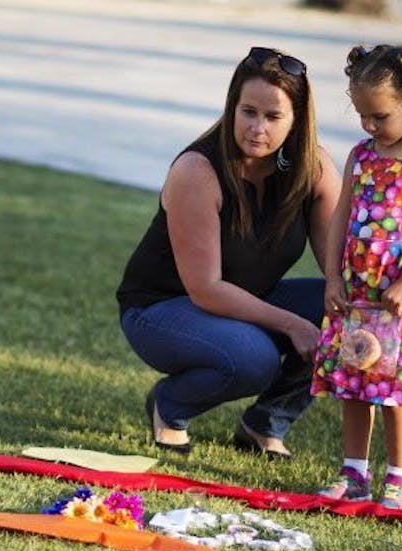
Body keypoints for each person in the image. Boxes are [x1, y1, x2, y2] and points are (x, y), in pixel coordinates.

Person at [117, 47, 342, 459]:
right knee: (253, 359)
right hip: (162, 309)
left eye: (273, 117)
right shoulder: (197, 171)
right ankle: (170, 406)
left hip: (246, 302)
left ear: (297, 122)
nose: (257, 128)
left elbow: (337, 270)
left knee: (342, 311)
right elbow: (206, 290)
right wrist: (293, 325)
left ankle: (264, 424)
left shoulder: (316, 170)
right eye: (248, 111)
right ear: (232, 107)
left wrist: (383, 298)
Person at [310, 44, 402, 509]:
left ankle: (400, 480)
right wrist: (333, 278)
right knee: (355, 381)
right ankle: (354, 473)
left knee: (396, 390)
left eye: (379, 116)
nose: (370, 126)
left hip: (400, 298)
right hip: (357, 292)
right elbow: (340, 219)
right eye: (362, 116)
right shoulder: (361, 155)